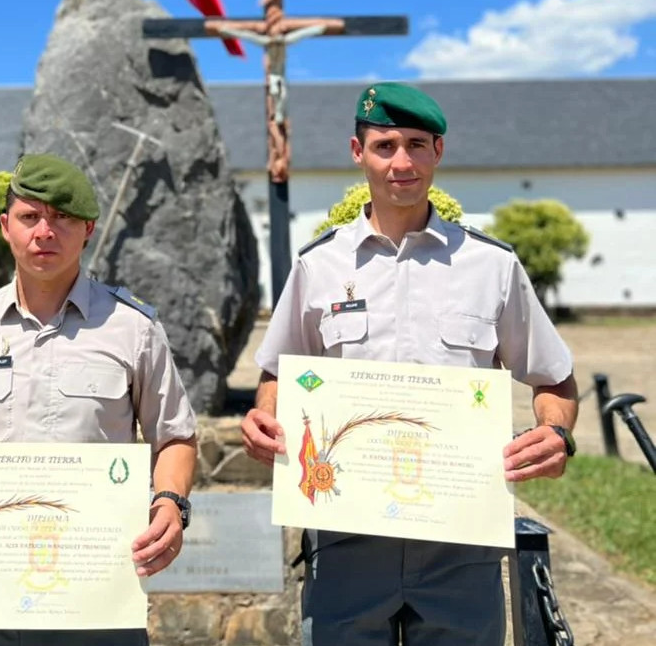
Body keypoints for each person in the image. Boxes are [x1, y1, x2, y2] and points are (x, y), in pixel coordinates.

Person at [241, 82, 579, 646]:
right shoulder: (318, 266)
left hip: (461, 546)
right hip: (345, 538)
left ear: (438, 152)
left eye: (417, 145)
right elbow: (278, 372)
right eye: (385, 145)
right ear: (358, 152)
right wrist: (264, 417)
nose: (402, 162)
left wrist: (556, 433)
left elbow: (554, 378)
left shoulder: (490, 266)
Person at [0, 153, 198, 646]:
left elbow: (174, 435)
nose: (45, 231)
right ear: (6, 227)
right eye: (30, 217)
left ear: (88, 228)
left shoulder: (134, 330)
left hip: (94, 597)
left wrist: (170, 503)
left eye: (63, 217)